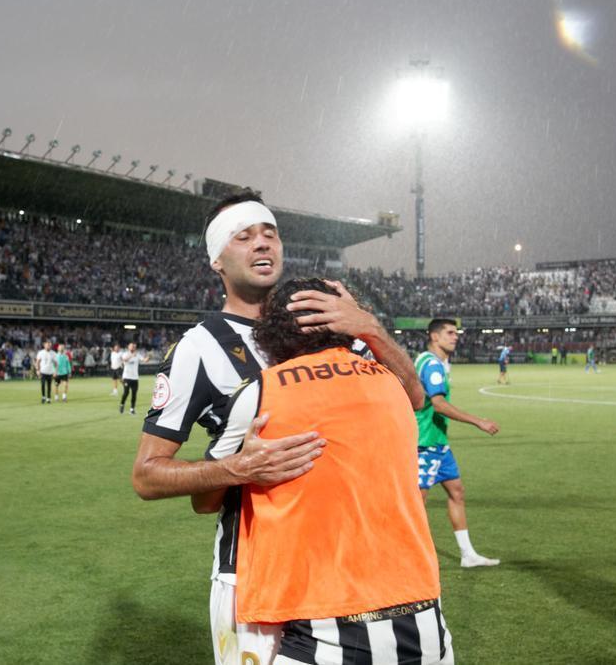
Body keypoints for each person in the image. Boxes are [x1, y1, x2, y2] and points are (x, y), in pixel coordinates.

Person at [130, 190, 422, 665]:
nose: (262, 245)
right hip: (253, 574)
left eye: (270, 234)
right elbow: (147, 475)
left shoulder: (329, 322)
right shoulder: (199, 347)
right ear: (217, 260)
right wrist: (238, 467)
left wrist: (369, 326)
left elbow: (411, 398)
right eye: (243, 237)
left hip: (349, 569)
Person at [192, 279, 449, 664]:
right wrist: (369, 326)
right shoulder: (393, 385)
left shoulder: (261, 393)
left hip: (325, 626)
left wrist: (243, 467)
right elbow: (418, 396)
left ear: (271, 334)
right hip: (424, 622)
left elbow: (205, 501)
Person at [416, 319, 502, 567]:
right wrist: (478, 422)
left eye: (457, 333)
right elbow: (440, 404)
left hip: (438, 442)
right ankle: (410, 557)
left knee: (457, 492)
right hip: (424, 442)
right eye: (450, 333)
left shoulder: (433, 361)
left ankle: (468, 555)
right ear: (434, 336)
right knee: (416, 503)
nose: (456, 337)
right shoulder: (431, 365)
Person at [118, 342, 148, 415]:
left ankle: (132, 409)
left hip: (135, 378)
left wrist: (147, 358)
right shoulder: (125, 353)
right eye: (131, 346)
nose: (133, 347)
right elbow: (124, 360)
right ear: (128, 347)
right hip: (127, 377)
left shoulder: (137, 355)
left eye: (134, 346)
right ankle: (122, 404)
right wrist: (131, 356)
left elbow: (144, 360)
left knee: (134, 394)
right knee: (126, 393)